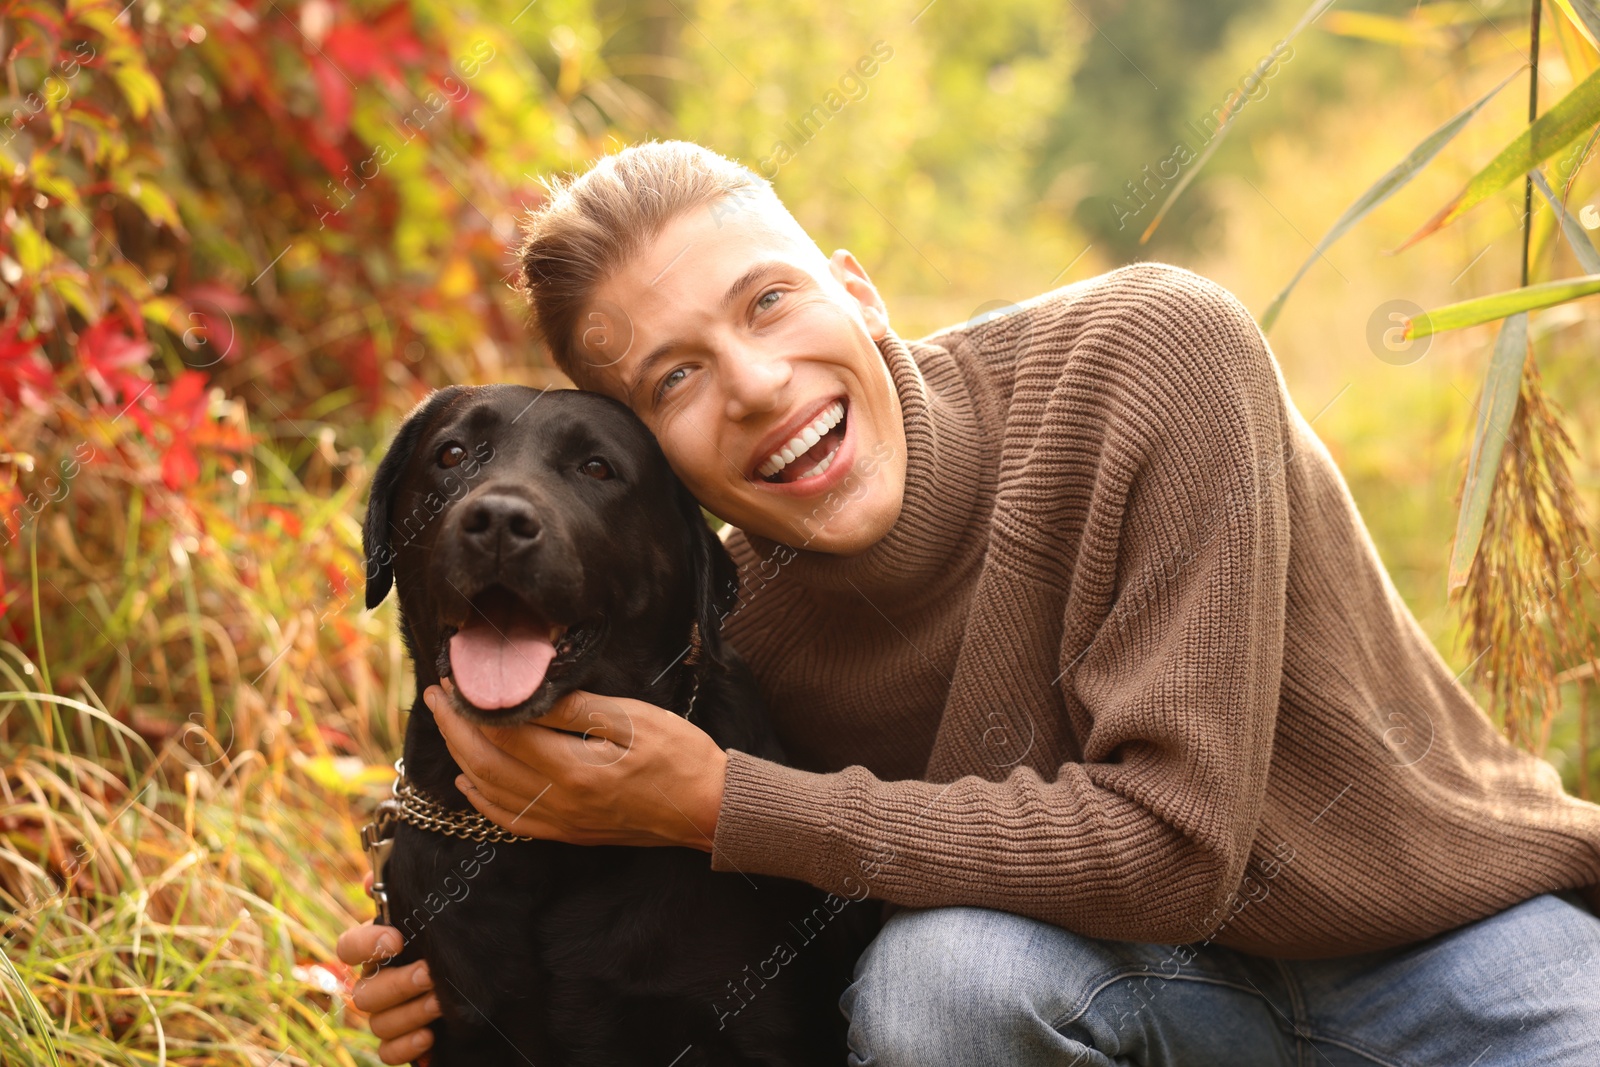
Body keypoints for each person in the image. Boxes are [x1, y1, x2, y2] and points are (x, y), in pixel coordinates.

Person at [335, 139, 1600, 1066]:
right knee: (939, 986)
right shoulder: (728, 634)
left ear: (858, 289)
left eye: (768, 301)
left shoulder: (1148, 357)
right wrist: (440, 971)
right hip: (1137, 998)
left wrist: (727, 803)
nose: (761, 383)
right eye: (677, 375)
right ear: (662, 456)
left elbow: (1177, 844)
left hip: (1454, 956)